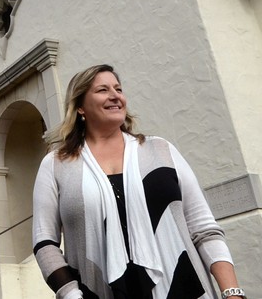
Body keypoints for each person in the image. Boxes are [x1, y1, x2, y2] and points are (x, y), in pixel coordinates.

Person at [32, 64, 245, 299]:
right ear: (80, 107)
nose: (115, 95)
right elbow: (45, 243)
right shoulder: (56, 165)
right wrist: (71, 294)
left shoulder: (161, 151)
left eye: (118, 89)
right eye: (103, 90)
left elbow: (203, 229)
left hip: (185, 288)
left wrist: (232, 292)